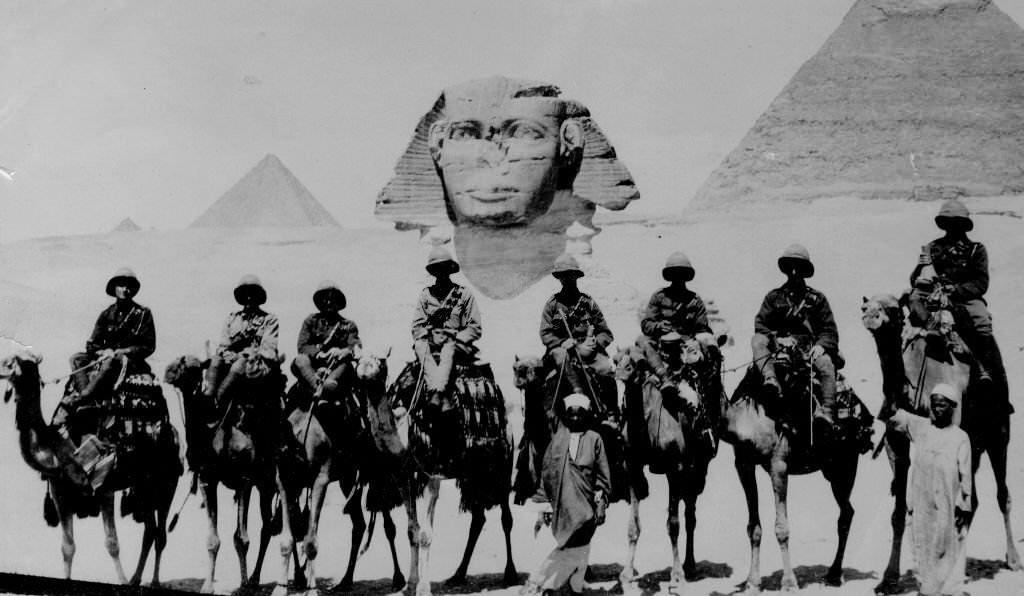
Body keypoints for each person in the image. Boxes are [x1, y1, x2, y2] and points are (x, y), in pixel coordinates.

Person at [885, 383, 972, 596]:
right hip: (922, 503)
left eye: (942, 405)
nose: (937, 409)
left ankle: (948, 591)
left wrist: (965, 502)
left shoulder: (960, 437)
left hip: (947, 503)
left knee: (947, 545)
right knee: (922, 544)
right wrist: (894, 395)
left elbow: (966, 474)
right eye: (934, 405)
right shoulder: (922, 427)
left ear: (953, 407)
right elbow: (897, 418)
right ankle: (926, 589)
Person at [910, 198, 1003, 388]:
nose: (953, 228)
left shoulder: (976, 249)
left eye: (957, 224)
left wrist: (956, 290)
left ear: (964, 226)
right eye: (949, 223)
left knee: (981, 320)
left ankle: (989, 373)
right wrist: (920, 267)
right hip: (933, 296)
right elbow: (915, 280)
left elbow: (981, 282)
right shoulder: (932, 247)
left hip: (963, 298)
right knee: (905, 307)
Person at [524, 393, 610, 596]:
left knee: (580, 546)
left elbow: (603, 475)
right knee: (571, 547)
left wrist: (601, 503)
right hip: (563, 508)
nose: (575, 418)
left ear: (586, 415)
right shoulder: (558, 440)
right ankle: (554, 586)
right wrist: (545, 506)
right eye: (571, 414)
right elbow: (548, 473)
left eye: (580, 415)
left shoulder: (594, 439)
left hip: (587, 507)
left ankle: (552, 585)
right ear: (566, 416)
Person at [752, 244, 840, 426]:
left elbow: (829, 330)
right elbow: (761, 325)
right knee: (757, 342)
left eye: (799, 267)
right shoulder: (773, 297)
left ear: (805, 271)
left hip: (808, 351)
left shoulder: (817, 299)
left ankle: (827, 412)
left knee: (826, 364)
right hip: (779, 349)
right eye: (790, 266)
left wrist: (821, 345)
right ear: (785, 270)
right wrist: (776, 339)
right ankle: (771, 380)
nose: (794, 271)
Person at [58, 267, 156, 428]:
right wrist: (102, 351)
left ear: (133, 289)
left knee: (110, 361)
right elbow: (92, 343)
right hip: (106, 358)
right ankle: (88, 399)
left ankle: (84, 397)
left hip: (129, 362)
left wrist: (123, 352)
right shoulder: (106, 314)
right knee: (76, 358)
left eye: (129, 286)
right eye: (121, 285)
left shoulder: (143, 314)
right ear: (114, 288)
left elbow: (148, 346)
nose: (125, 289)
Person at [540, 254, 614, 403]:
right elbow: (545, 333)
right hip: (562, 350)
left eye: (570, 275)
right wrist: (561, 343)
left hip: (588, 350)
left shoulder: (588, 302)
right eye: (563, 276)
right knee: (541, 379)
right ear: (559, 278)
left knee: (606, 370)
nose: (566, 279)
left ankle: (611, 414)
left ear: (576, 276)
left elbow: (605, 332)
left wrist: (595, 343)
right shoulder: (552, 304)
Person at [638, 251, 719, 382]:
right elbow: (646, 324)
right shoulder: (659, 296)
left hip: (686, 345)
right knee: (642, 342)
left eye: (682, 273)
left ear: (686, 276)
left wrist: (696, 342)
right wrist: (659, 326)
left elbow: (702, 329)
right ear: (669, 275)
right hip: (661, 345)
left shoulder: (695, 300)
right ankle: (664, 380)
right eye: (674, 273)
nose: (678, 277)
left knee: (709, 355)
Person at [411, 246, 481, 395]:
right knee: (419, 345)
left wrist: (456, 337)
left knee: (449, 348)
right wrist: (429, 335)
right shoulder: (426, 295)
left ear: (450, 269)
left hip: (456, 342)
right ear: (433, 272)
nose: (441, 272)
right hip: (432, 342)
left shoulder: (463, 294)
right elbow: (417, 327)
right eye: (437, 268)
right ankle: (435, 387)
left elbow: (474, 327)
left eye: (444, 268)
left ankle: (437, 391)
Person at [204, 275, 280, 406]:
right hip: (232, 360)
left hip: (256, 365)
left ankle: (220, 401)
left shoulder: (270, 320)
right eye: (245, 294)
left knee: (239, 366)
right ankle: (207, 403)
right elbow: (223, 347)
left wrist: (243, 356)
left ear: (259, 296)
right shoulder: (232, 319)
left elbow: (268, 350)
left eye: (253, 293)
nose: (249, 297)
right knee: (215, 362)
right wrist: (230, 355)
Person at [291, 280, 361, 400]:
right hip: (313, 368)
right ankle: (318, 388)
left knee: (346, 366)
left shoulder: (349, 325)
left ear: (338, 302)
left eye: (332, 298)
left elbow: (355, 347)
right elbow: (302, 346)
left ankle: (329, 385)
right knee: (300, 360)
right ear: (320, 302)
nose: (328, 302)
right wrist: (320, 354)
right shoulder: (311, 321)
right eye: (325, 298)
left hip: (336, 367)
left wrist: (341, 351)